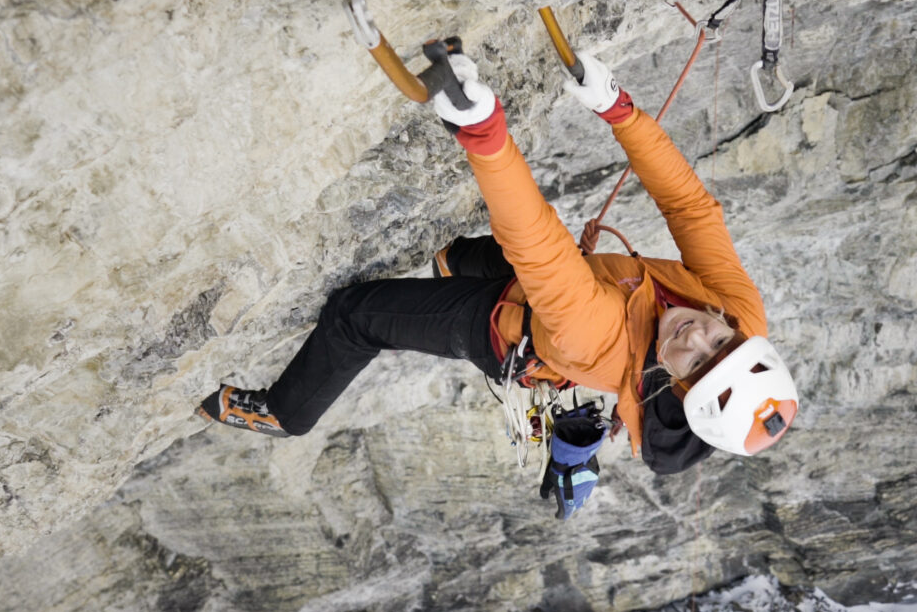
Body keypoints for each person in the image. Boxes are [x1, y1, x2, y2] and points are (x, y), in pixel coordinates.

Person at [198, 50, 798, 513]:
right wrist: (619, 109)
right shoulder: (736, 309)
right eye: (721, 342)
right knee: (468, 258)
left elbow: (539, 247)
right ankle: (452, 263)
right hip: (573, 286)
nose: (696, 335)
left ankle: (286, 411)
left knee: (354, 315)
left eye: (693, 362)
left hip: (509, 330)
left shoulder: (599, 340)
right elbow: (690, 209)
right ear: (741, 333)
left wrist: (485, 134)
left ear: (669, 384)